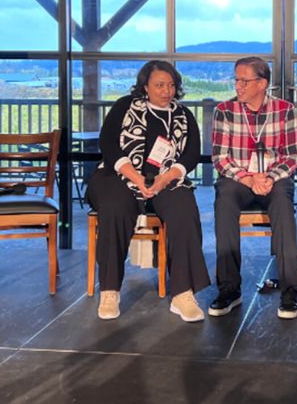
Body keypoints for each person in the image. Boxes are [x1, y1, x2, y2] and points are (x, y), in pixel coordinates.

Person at [86, 60, 210, 323]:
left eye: (171, 85)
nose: (167, 91)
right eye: (159, 85)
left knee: (184, 207)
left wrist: (165, 179)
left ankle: (183, 293)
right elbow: (108, 143)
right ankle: (109, 290)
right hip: (118, 175)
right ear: (145, 86)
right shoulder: (124, 106)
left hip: (165, 178)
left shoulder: (184, 116)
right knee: (114, 206)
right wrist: (136, 177)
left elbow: (191, 155)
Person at [210, 57, 297, 319]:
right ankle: (229, 289)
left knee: (283, 203)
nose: (238, 85)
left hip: (273, 178)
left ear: (262, 83)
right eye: (236, 79)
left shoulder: (285, 110)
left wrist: (269, 178)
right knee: (224, 197)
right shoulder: (225, 110)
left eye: (244, 80)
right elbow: (220, 157)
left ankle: (289, 291)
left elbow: (291, 156)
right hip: (239, 179)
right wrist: (248, 178)